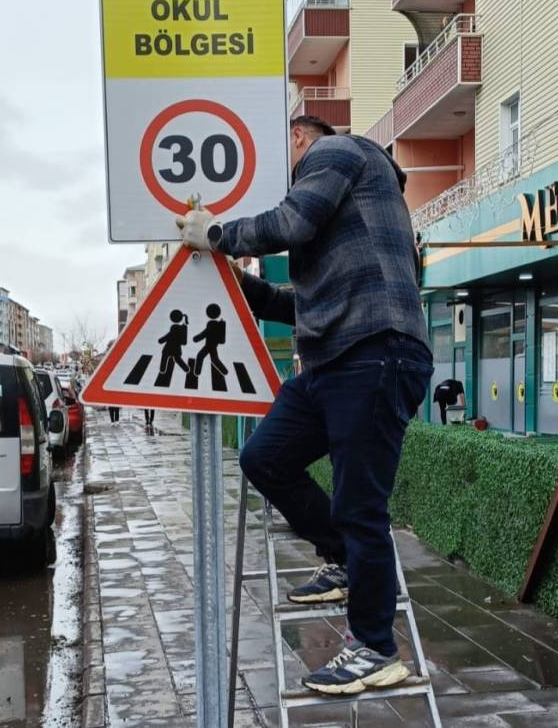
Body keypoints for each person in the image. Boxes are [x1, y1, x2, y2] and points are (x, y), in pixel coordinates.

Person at [178, 115, 431, 696]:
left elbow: (289, 223)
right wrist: (235, 279)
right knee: (263, 457)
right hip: (334, 359)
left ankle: (375, 648)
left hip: (374, 353)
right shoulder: (349, 214)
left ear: (296, 136)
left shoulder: (337, 152)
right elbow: (303, 303)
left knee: (360, 505)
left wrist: (215, 233)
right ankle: (342, 559)